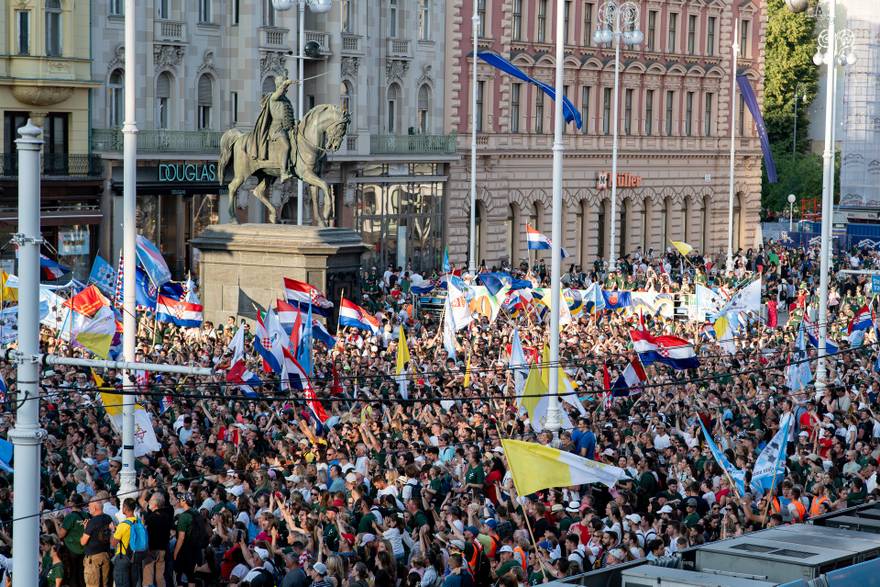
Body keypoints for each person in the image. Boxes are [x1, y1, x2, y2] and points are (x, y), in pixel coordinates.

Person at [53, 493, 88, 587]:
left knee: (73, 575)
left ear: (72, 503)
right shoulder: (87, 515)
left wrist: (55, 523)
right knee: (82, 574)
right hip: (84, 549)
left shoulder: (70, 517)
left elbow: (61, 535)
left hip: (72, 550)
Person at [80, 500, 113, 587]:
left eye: (89, 507)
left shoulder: (92, 522)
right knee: (104, 583)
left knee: (92, 584)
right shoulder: (108, 518)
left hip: (93, 558)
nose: (88, 509)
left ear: (94, 508)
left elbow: (83, 542)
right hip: (105, 555)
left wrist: (85, 529)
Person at [110, 498, 141, 587]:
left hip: (123, 557)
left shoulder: (123, 525)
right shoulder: (138, 522)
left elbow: (113, 543)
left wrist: (113, 531)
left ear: (124, 508)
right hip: (135, 556)